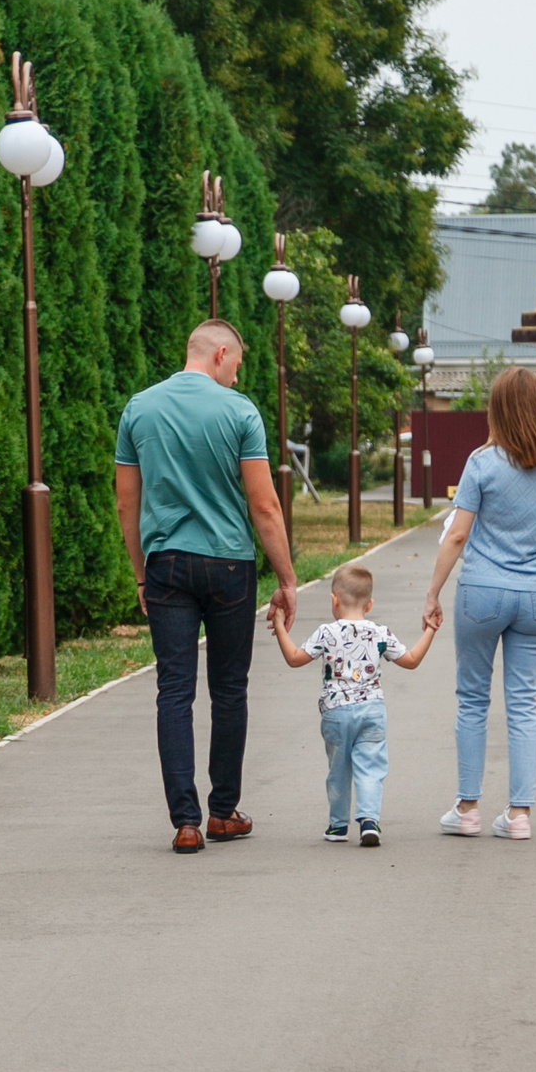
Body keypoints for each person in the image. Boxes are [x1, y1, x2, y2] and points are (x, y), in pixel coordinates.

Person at [115, 318, 299, 854]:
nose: (237, 379)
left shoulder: (139, 408)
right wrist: (287, 580)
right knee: (229, 689)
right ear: (220, 353)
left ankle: (185, 823)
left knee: (174, 690)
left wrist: (140, 573)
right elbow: (263, 506)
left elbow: (128, 502)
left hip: (166, 564)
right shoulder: (240, 412)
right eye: (237, 366)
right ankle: (222, 813)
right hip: (229, 567)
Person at [420, 366, 536, 841]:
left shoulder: (483, 462)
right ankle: (519, 816)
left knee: (472, 699)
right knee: (524, 703)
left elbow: (458, 533)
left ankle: (467, 810)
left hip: (482, 594)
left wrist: (432, 593)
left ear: (498, 411)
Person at [269, 562, 437, 847]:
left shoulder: (326, 632)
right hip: (372, 710)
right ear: (369, 604)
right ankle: (369, 821)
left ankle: (338, 826)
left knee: (339, 769)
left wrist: (279, 626)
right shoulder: (380, 633)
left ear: (334, 599)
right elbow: (411, 661)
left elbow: (295, 659)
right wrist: (430, 631)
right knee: (371, 767)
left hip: (336, 713)